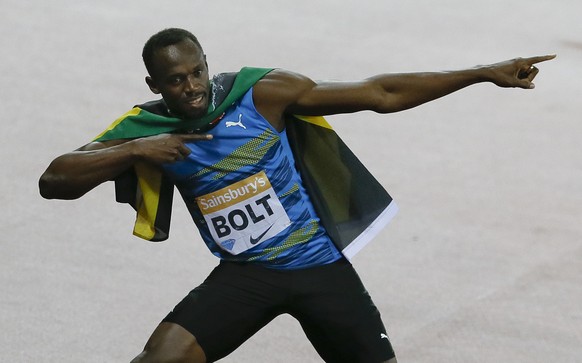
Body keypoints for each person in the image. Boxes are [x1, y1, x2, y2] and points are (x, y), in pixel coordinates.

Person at [38, 27, 554, 363]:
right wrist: (138, 149)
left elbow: (380, 93)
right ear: (155, 83)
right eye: (176, 81)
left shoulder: (261, 94)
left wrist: (481, 73)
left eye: (196, 72)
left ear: (205, 64)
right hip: (245, 276)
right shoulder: (144, 127)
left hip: (319, 267)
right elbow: (55, 180)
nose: (192, 87)